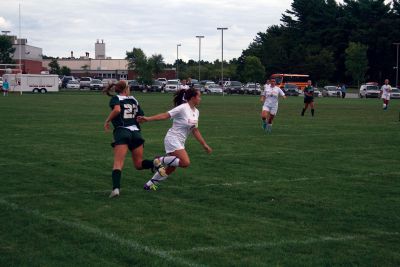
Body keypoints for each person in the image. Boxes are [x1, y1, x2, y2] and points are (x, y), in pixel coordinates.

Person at [137, 87, 212, 190]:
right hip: (172, 138)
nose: (200, 99)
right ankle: (158, 159)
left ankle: (149, 185)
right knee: (185, 162)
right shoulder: (182, 108)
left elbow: (195, 130)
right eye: (199, 96)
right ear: (193, 98)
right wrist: (148, 119)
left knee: (171, 168)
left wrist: (204, 144)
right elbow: (165, 115)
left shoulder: (196, 112)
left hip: (180, 141)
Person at [103, 81, 165, 198]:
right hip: (136, 133)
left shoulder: (116, 98)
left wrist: (107, 121)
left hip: (122, 131)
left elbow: (116, 110)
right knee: (138, 163)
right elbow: (140, 116)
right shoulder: (133, 99)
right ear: (126, 89)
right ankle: (154, 163)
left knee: (118, 163)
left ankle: (116, 189)